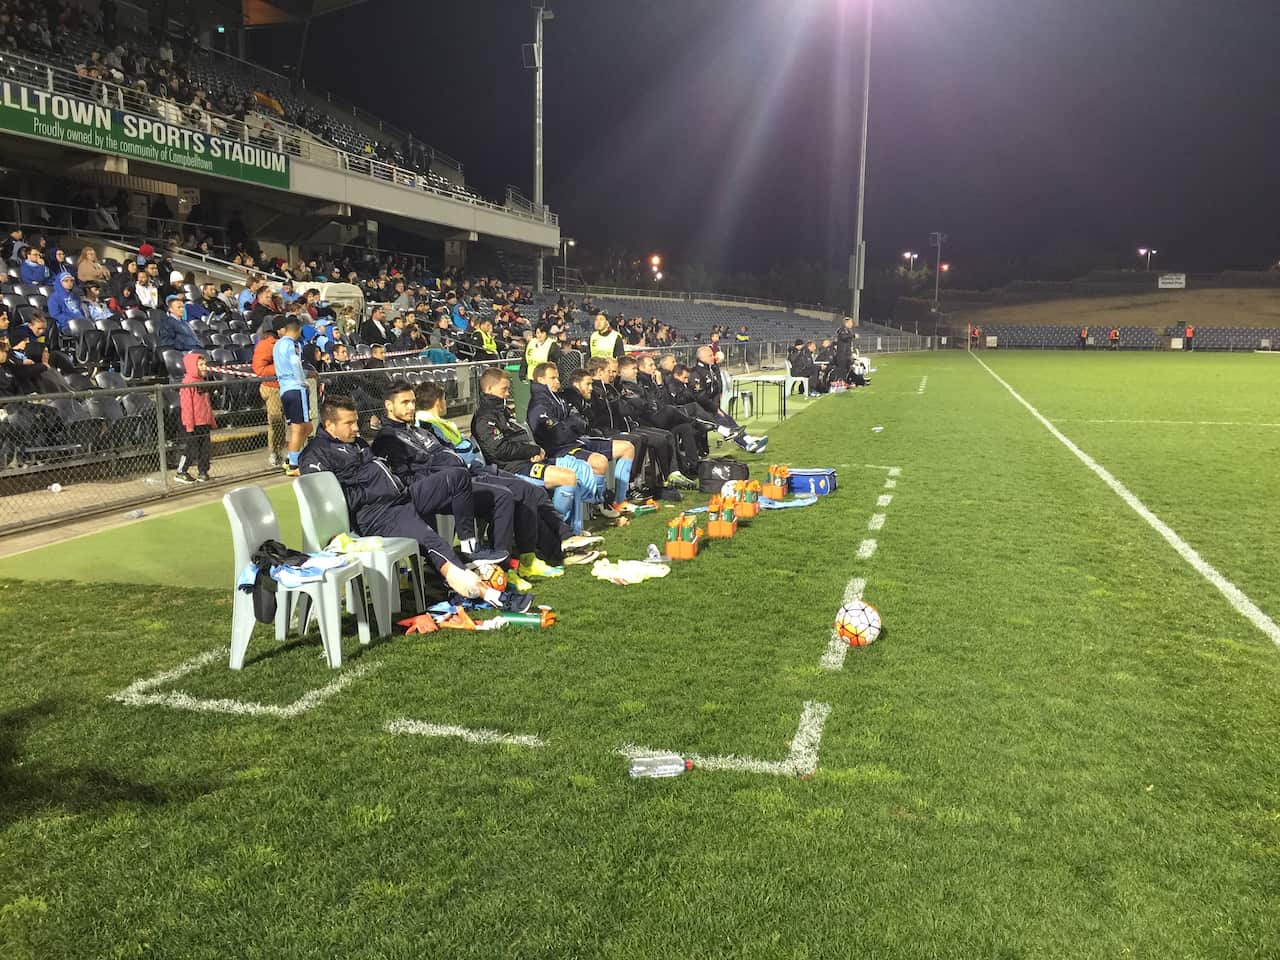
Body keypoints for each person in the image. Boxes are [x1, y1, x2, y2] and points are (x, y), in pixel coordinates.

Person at [300, 396, 531, 612]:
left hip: (402, 495)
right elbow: (333, 502)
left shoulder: (356, 442)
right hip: (378, 514)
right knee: (434, 542)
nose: (356, 428)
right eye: (349, 423)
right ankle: (493, 596)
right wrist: (376, 489)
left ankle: (470, 548)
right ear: (329, 425)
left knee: (457, 477)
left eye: (356, 421)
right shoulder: (316, 455)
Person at [373, 381, 560, 577]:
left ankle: (514, 563)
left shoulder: (417, 431)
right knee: (504, 495)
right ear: (389, 405)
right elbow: (405, 478)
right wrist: (439, 473)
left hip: (462, 478)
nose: (411, 407)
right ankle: (497, 567)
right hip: (436, 490)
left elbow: (443, 454)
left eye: (412, 402)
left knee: (515, 491)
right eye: (404, 402)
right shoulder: (388, 439)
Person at [471, 367, 600, 532]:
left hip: (525, 461)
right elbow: (498, 449)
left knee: (576, 471)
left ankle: (574, 530)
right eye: (504, 389)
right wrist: (531, 451)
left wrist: (534, 450)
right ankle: (557, 531)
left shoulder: (502, 411)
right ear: (489, 389)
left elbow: (518, 440)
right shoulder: (485, 417)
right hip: (511, 469)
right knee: (567, 478)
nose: (508, 394)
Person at [617, 356, 699, 484]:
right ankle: (696, 423)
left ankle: (689, 468)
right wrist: (650, 403)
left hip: (654, 416)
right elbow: (641, 405)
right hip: (646, 421)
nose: (636, 371)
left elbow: (662, 400)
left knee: (683, 428)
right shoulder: (626, 385)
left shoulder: (644, 382)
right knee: (671, 411)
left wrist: (659, 385)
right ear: (621, 370)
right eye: (633, 368)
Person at [690, 345, 767, 453]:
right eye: (710, 355)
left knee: (729, 420)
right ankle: (746, 444)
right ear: (702, 358)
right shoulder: (695, 373)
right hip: (702, 409)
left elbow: (717, 388)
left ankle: (748, 440)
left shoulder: (712, 369)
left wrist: (717, 407)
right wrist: (715, 409)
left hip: (712, 407)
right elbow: (700, 397)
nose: (713, 357)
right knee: (723, 421)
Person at [272, 314, 313, 477]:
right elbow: (295, 363)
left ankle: (291, 457)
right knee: (299, 428)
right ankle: (293, 464)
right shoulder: (292, 344)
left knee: (307, 427)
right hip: (296, 388)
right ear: (298, 330)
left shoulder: (277, 345)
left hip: (284, 389)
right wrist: (302, 381)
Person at [252, 315, 286, 468]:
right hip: (272, 387)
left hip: (283, 386)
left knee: (282, 423)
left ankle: (280, 451)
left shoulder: (283, 343)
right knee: (275, 420)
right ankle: (275, 452)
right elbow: (259, 369)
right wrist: (281, 367)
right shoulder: (266, 345)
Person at [175, 353, 215, 484]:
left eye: (205, 364)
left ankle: (203, 472)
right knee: (191, 448)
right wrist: (189, 424)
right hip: (192, 423)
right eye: (201, 365)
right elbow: (187, 406)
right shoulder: (187, 383)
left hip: (204, 422)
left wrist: (211, 420)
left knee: (205, 448)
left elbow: (206, 404)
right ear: (193, 366)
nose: (205, 367)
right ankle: (181, 472)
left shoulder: (202, 381)